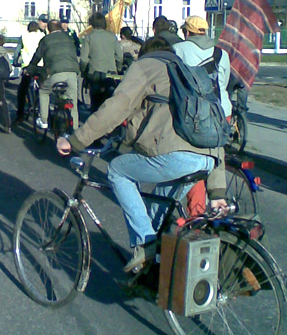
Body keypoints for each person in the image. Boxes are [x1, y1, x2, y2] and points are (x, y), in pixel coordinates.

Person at [57, 36, 227, 272]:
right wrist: (217, 190)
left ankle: (145, 245)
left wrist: (76, 140)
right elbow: (215, 129)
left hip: (177, 157)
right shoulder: (188, 73)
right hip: (206, 161)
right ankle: (152, 269)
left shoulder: (146, 66)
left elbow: (116, 108)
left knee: (117, 169)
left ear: (143, 53)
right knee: (157, 210)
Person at [173, 15, 232, 215]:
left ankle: (196, 214)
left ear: (187, 32)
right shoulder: (221, 53)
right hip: (222, 111)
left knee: (196, 162)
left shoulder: (178, 50)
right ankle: (219, 201)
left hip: (196, 114)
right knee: (217, 152)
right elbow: (224, 82)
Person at [28, 19, 80, 130]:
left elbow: (37, 56)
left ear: (48, 29)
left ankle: (44, 120)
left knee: (44, 91)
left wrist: (30, 68)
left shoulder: (46, 40)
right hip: (72, 72)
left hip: (54, 72)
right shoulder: (69, 38)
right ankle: (75, 130)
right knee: (73, 103)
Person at [80, 12, 123, 112]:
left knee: (95, 104)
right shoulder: (112, 37)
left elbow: (84, 59)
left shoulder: (89, 37)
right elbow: (119, 56)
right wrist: (119, 69)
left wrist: (83, 71)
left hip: (94, 74)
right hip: (110, 74)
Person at [13, 21, 44, 125]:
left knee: (22, 91)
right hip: (41, 66)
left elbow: (17, 51)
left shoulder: (24, 36)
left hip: (28, 66)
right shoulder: (42, 35)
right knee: (44, 89)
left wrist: (15, 62)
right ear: (37, 29)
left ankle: (20, 115)